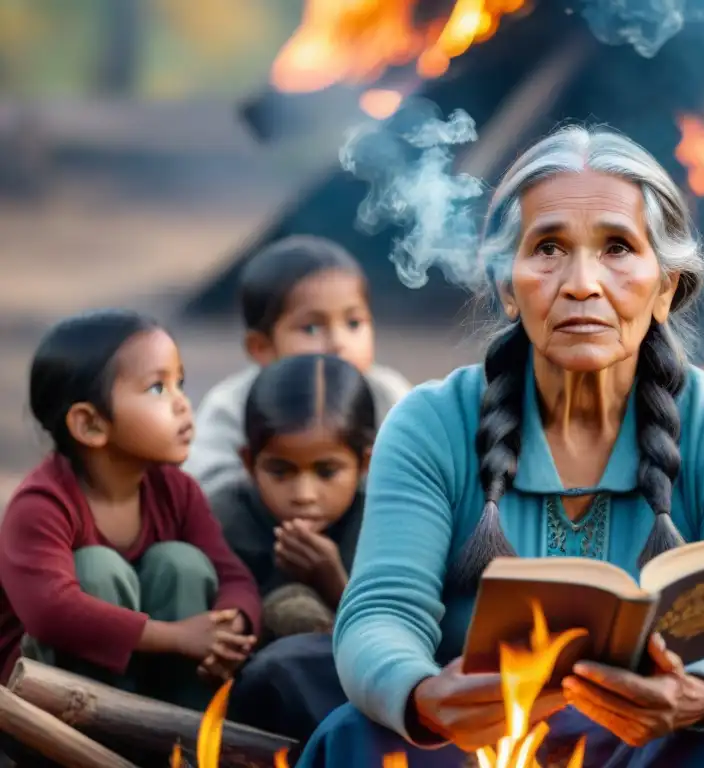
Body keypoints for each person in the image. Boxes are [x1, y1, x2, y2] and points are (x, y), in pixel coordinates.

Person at [291, 126, 704, 767]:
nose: (581, 283)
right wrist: (426, 695)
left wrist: (698, 696)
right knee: (356, 736)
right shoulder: (431, 423)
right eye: (547, 249)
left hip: (654, 752)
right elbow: (380, 613)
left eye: (618, 248)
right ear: (507, 287)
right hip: (478, 750)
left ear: (666, 288)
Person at [0, 310, 262, 711]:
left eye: (181, 383)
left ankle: (186, 738)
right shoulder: (41, 505)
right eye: (158, 388)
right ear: (89, 425)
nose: (182, 404)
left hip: (158, 696)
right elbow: (52, 612)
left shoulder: (177, 490)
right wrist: (177, 635)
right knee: (95, 570)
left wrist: (229, 627)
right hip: (43, 708)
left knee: (182, 563)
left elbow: (233, 576)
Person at [183, 235, 410, 500]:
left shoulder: (389, 395)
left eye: (353, 323)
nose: (338, 343)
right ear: (262, 347)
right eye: (311, 328)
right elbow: (206, 487)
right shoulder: (232, 405)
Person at [211, 353, 374, 641]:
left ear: (364, 463)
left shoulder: (381, 522)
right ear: (249, 463)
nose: (303, 495)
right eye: (280, 471)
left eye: (326, 472)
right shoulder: (223, 521)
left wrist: (335, 583)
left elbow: (391, 630)